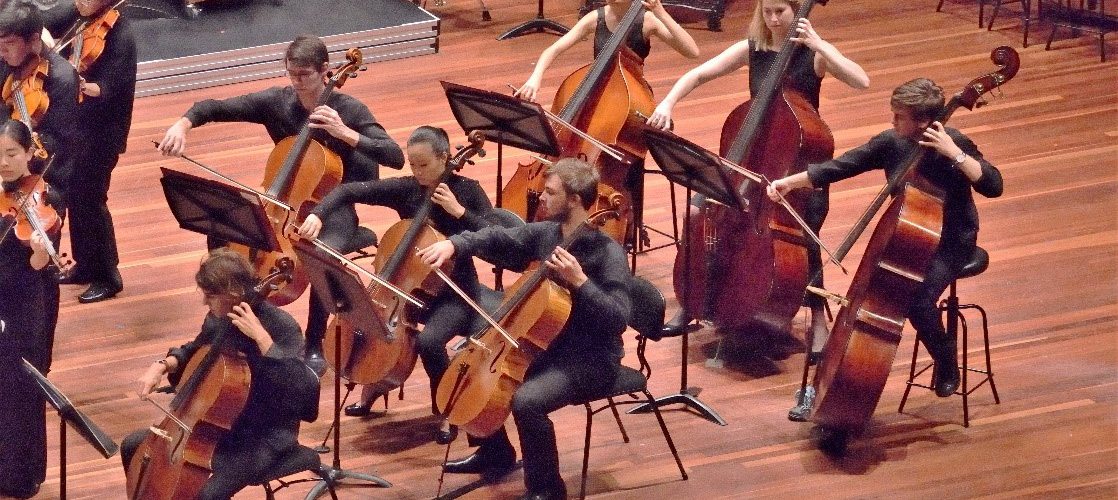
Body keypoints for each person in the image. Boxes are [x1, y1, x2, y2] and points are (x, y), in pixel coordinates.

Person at [158, 34, 405, 372]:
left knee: (318, 257)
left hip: (334, 204)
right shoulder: (279, 102)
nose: (296, 82)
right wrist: (182, 124)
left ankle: (314, 342)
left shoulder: (348, 109)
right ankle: (230, 322)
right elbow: (215, 107)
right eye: (291, 73)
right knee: (225, 232)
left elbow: (394, 157)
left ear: (325, 70)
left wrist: (344, 132)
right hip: (283, 199)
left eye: (304, 74)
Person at [767, 77, 1004, 410]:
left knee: (918, 301)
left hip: (952, 243)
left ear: (922, 121)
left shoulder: (954, 143)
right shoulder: (892, 143)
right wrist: (790, 182)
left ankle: (945, 355)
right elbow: (840, 166)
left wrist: (956, 155)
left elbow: (994, 186)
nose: (892, 122)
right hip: (907, 236)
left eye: (899, 117)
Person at [647, 0, 869, 352]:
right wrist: (668, 102)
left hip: (793, 171)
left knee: (806, 244)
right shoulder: (752, 48)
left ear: (797, 10)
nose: (774, 18)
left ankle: (819, 319)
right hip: (750, 162)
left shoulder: (813, 55)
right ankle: (694, 302)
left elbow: (861, 80)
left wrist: (819, 43)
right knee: (697, 212)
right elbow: (699, 73)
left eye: (781, 11)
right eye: (767, 11)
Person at [417, 158, 632, 500]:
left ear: (575, 200)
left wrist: (581, 282)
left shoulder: (608, 254)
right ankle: (495, 452)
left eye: (550, 192)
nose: (541, 197)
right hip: (548, 345)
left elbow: (618, 319)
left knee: (526, 401)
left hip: (590, 358)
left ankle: (547, 489)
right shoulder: (548, 233)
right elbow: (499, 236)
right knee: (479, 379)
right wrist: (455, 244)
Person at [296, 125, 498, 444]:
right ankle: (373, 388)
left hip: (453, 295)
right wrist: (319, 214)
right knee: (378, 327)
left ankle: (445, 411)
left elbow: (494, 239)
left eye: (423, 164)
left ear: (445, 158)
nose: (416, 172)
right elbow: (350, 191)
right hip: (403, 289)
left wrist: (457, 212)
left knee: (430, 342)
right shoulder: (407, 189)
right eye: (412, 164)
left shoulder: (468, 191)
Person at [120, 248, 320, 500]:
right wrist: (161, 365)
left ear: (233, 293)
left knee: (207, 495)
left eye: (210, 296)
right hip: (216, 427)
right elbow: (195, 351)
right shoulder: (219, 317)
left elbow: (300, 390)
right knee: (133, 446)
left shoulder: (281, 326)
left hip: (263, 435)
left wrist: (262, 339)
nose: (205, 302)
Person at [43, 0, 136, 303]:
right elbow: (45, 21)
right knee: (75, 196)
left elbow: (110, 89)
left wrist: (72, 81)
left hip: (103, 131)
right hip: (79, 126)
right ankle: (85, 266)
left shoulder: (121, 35)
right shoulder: (80, 13)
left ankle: (109, 276)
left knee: (92, 198)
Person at [0, 118, 61, 499]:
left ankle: (23, 475)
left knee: (22, 388)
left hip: (24, 305)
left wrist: (41, 254)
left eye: (11, 154)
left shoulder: (48, 199)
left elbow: (36, 271)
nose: (4, 163)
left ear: (28, 154)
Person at [514, 0, 700, 103]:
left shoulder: (648, 20)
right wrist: (535, 77)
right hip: (597, 91)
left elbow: (692, 51)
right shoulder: (595, 18)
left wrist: (661, 13)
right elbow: (553, 50)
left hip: (632, 96)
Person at [0, 2, 81, 220]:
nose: (2, 51)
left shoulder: (62, 78)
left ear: (35, 40)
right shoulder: (7, 64)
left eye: (8, 44)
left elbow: (56, 144)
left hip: (43, 179)